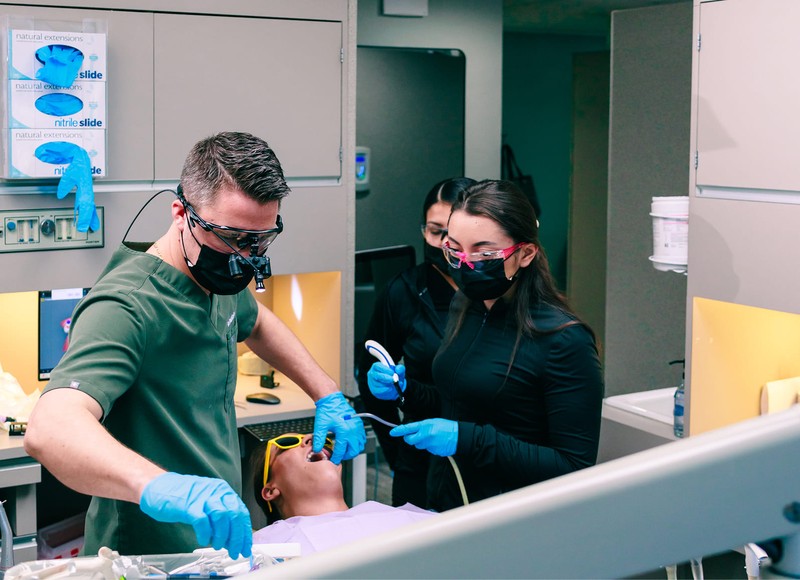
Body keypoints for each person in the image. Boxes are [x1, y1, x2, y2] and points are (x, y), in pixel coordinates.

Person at [24, 132, 365, 559]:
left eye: (261, 239)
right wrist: (156, 484)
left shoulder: (215, 274)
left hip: (212, 546)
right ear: (181, 213)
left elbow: (256, 321)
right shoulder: (126, 306)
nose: (247, 255)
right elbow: (49, 429)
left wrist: (326, 392)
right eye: (235, 237)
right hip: (148, 554)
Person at [367, 179, 604, 512]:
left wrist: (467, 440)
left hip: (513, 519)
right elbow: (462, 402)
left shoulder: (564, 340)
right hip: (449, 502)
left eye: (484, 252)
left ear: (525, 254)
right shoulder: (467, 307)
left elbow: (573, 465)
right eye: (455, 249)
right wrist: (407, 392)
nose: (466, 263)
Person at [356, 177, 475, 507]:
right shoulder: (404, 291)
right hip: (419, 460)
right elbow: (370, 375)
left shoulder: (494, 294)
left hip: (484, 458)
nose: (443, 244)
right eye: (435, 232)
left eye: (452, 234)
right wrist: (399, 450)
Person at [251, 433, 434, 555]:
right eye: (287, 444)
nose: (311, 438)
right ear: (270, 490)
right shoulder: (264, 550)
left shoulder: (404, 519)